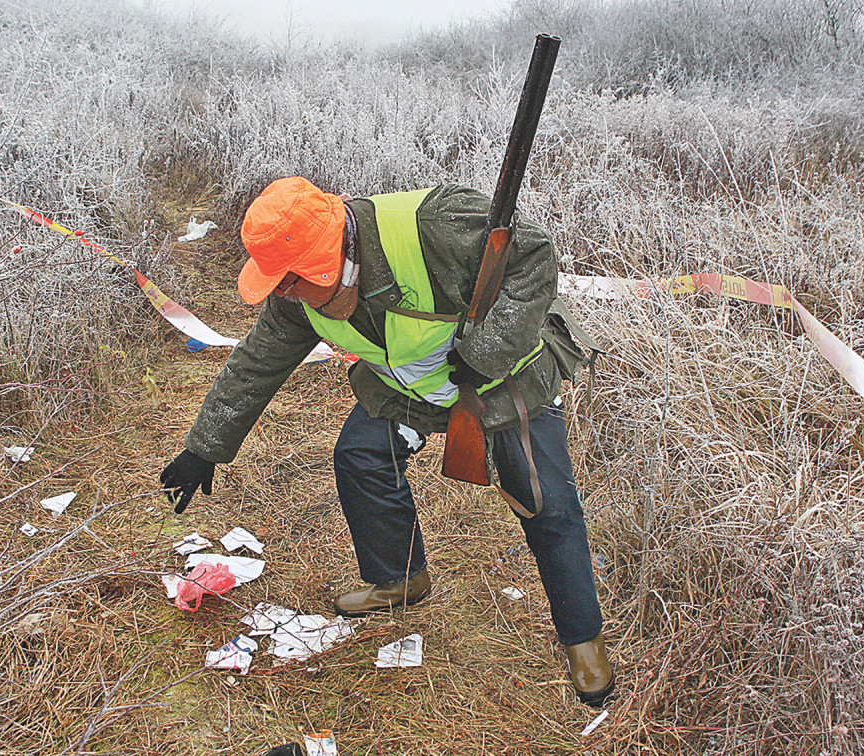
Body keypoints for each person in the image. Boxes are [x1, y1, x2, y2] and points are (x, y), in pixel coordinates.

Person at [161, 176, 614, 707]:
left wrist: (486, 352)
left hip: (503, 379)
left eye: (287, 282)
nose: (281, 294)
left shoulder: (433, 223)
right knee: (362, 457)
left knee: (547, 505)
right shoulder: (296, 292)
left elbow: (533, 257)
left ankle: (582, 636)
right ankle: (399, 579)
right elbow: (256, 362)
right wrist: (204, 446)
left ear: (324, 266)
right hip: (410, 392)